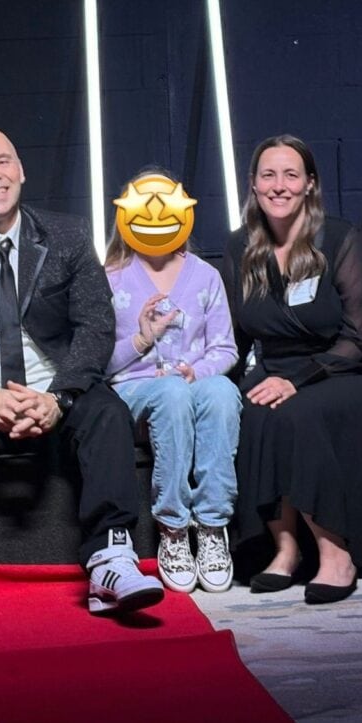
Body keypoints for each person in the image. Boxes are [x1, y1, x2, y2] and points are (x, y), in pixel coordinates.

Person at [0, 127, 164, 624]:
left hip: (54, 396)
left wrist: (58, 398)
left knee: (106, 408)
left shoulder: (67, 236)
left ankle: (110, 557)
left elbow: (95, 326)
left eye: (3, 162)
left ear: (20, 171)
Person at [223, 134, 362, 604]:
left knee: (295, 412)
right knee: (251, 409)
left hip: (349, 370)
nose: (279, 186)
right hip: (278, 370)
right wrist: (208, 374)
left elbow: (361, 338)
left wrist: (293, 381)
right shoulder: (239, 247)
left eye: (291, 175)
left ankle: (336, 553)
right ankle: (286, 549)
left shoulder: (340, 239)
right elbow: (235, 337)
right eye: (268, 175)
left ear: (309, 185)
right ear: (254, 186)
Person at [105, 169, 241, 594]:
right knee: (170, 392)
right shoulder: (110, 277)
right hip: (136, 391)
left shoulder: (205, 276)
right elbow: (97, 362)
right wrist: (142, 338)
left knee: (222, 391)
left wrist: (194, 371)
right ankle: (174, 527)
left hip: (191, 387)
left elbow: (226, 350)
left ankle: (213, 526)